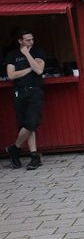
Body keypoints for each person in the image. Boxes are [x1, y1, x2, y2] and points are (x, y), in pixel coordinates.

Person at [5, 29, 46, 170]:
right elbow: (11, 75)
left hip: (34, 91)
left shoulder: (38, 52)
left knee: (31, 122)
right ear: (20, 41)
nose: (31, 42)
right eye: (28, 40)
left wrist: (27, 54)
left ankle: (14, 148)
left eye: (32, 39)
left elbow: (39, 70)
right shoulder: (12, 55)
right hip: (19, 92)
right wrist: (29, 69)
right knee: (25, 124)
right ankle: (34, 156)